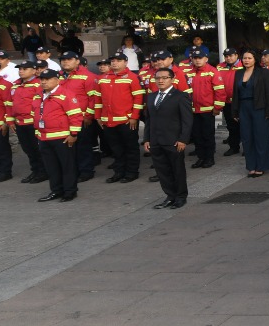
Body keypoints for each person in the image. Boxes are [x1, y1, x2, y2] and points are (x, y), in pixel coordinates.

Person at [143, 65, 193, 209]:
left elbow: (187, 121)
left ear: (172, 79)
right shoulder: (152, 96)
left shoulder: (180, 96)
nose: (161, 81)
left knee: (177, 170)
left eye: (165, 78)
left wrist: (183, 139)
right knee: (162, 171)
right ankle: (170, 196)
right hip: (156, 140)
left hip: (174, 141)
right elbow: (149, 120)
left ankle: (181, 196)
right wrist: (147, 139)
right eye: (158, 78)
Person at [33, 68, 84, 203]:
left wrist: (73, 134)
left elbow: (75, 115)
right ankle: (56, 190)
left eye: (47, 79)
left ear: (57, 80)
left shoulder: (65, 94)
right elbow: (36, 114)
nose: (44, 82)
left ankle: (69, 191)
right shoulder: (38, 95)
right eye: (42, 80)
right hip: (44, 137)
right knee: (51, 167)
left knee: (67, 165)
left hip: (62, 137)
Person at [93, 53, 145, 183]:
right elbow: (98, 99)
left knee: (130, 148)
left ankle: (132, 172)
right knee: (116, 149)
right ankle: (119, 172)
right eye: (113, 60)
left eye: (118, 60)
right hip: (108, 121)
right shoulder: (103, 78)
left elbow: (138, 98)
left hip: (127, 121)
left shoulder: (132, 77)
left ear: (126, 63)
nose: (115, 63)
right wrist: (98, 116)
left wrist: (134, 117)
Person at [232, 50, 269, 177]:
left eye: (249, 58)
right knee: (246, 137)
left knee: (260, 137)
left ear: (255, 59)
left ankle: (261, 165)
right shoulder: (238, 73)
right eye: (244, 58)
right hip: (243, 108)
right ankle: (251, 166)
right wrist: (235, 111)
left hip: (259, 108)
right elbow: (235, 93)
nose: (246, 60)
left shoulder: (263, 72)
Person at [185, 48, 225, 168]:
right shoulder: (189, 72)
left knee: (207, 135)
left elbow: (220, 92)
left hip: (208, 111)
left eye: (200, 58)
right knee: (197, 136)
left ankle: (209, 158)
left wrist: (217, 107)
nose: (197, 61)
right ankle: (201, 158)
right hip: (193, 110)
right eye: (195, 58)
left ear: (206, 59)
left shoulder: (213, 72)